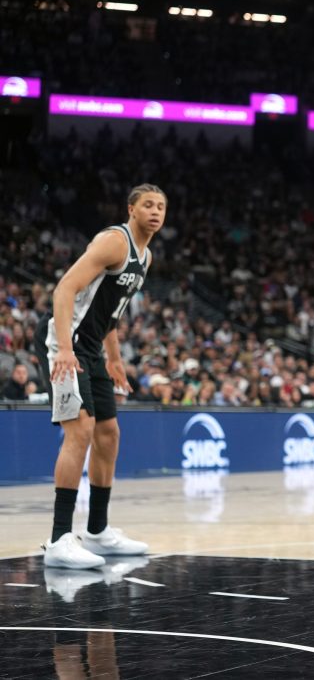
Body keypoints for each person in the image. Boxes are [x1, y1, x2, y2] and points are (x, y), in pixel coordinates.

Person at [33, 184, 164, 569]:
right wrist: (65, 349)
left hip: (91, 347)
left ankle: (97, 531)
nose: (155, 212)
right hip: (65, 341)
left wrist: (115, 359)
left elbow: (110, 313)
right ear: (131, 209)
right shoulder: (113, 242)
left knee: (109, 433)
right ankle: (59, 538)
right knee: (81, 430)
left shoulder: (146, 257)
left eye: (161, 206)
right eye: (148, 205)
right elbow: (64, 289)